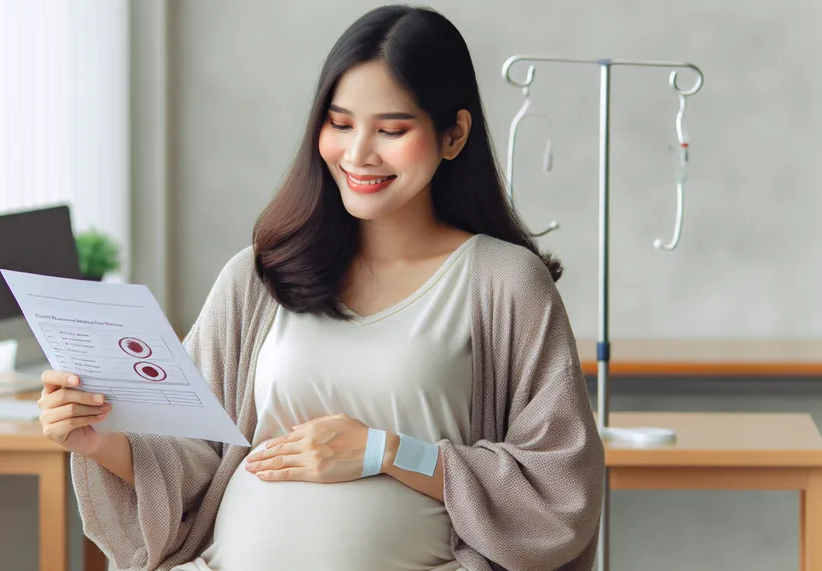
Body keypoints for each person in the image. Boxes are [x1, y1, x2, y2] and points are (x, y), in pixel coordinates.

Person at [36, 5, 604, 571]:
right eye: (340, 123)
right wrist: (100, 441)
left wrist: (384, 452)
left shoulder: (503, 284)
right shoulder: (257, 277)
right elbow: (194, 453)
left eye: (392, 129)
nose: (358, 154)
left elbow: (561, 487)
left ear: (453, 134)